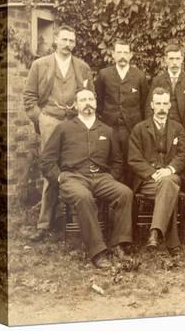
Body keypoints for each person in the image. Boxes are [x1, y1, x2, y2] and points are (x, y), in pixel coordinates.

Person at [40, 88, 133, 269]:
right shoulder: (64, 128)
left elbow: (117, 161)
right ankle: (98, 251)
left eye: (91, 99)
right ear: (76, 105)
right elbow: (47, 160)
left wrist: (111, 178)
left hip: (101, 178)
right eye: (83, 100)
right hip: (72, 178)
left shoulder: (107, 130)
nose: (88, 103)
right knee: (83, 197)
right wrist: (59, 178)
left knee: (125, 193)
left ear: (96, 103)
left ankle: (119, 244)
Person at [23, 25, 94, 242]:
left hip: (74, 122)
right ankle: (45, 224)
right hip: (51, 122)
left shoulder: (82, 67)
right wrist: (42, 119)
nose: (67, 45)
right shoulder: (40, 65)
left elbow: (91, 95)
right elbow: (29, 98)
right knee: (50, 169)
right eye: (64, 40)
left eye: (71, 41)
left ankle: (78, 219)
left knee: (76, 166)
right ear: (56, 40)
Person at [128, 87, 185, 255]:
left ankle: (154, 232)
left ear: (169, 106)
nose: (162, 107)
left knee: (169, 183)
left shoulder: (177, 128)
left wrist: (169, 169)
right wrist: (153, 173)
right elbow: (134, 158)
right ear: (152, 105)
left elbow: (183, 155)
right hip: (148, 181)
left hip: (171, 175)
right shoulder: (139, 129)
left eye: (165, 104)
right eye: (158, 104)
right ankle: (172, 243)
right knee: (169, 189)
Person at [95, 40, 149, 184]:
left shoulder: (139, 76)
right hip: (110, 126)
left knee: (130, 162)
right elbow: (99, 102)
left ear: (131, 55)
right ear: (113, 54)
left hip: (131, 128)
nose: (122, 56)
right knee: (110, 161)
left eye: (126, 52)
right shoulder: (104, 74)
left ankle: (130, 199)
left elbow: (145, 104)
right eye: (119, 52)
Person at [146, 44, 185, 141]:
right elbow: (149, 108)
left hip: (183, 131)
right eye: (171, 59)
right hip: (161, 131)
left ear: (181, 59)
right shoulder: (158, 81)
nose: (174, 62)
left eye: (177, 58)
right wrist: (154, 131)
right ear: (166, 60)